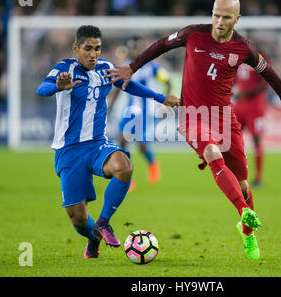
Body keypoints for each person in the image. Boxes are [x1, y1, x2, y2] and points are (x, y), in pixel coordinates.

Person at [109, 0, 281, 261]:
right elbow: (160, 46)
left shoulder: (243, 49)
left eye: (226, 17)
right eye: (216, 15)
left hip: (224, 118)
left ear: (237, 19)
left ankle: (247, 231)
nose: (219, 22)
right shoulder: (193, 34)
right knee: (212, 153)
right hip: (193, 115)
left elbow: (268, 71)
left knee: (244, 185)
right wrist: (132, 67)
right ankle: (243, 211)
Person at [37, 25, 179, 258]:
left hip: (97, 144)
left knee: (124, 166)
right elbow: (42, 89)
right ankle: (93, 238)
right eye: (87, 49)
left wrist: (162, 98)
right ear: (76, 48)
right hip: (69, 149)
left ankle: (103, 222)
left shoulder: (105, 68)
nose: (93, 54)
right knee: (78, 217)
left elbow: (129, 85)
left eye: (97, 48)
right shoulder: (65, 68)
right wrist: (57, 86)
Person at [107, 37, 172, 191]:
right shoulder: (123, 67)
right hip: (131, 111)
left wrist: (164, 102)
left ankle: (150, 165)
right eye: (133, 47)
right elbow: (116, 89)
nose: (136, 50)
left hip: (147, 112)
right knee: (123, 141)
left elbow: (168, 82)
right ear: (129, 49)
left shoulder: (153, 67)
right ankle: (128, 178)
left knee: (138, 144)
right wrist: (110, 107)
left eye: (138, 47)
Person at [233, 63, 268, 187]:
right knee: (230, 137)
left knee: (256, 140)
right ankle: (233, 176)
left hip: (256, 106)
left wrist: (246, 93)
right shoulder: (237, 54)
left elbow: (265, 83)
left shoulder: (261, 57)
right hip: (239, 105)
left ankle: (258, 178)